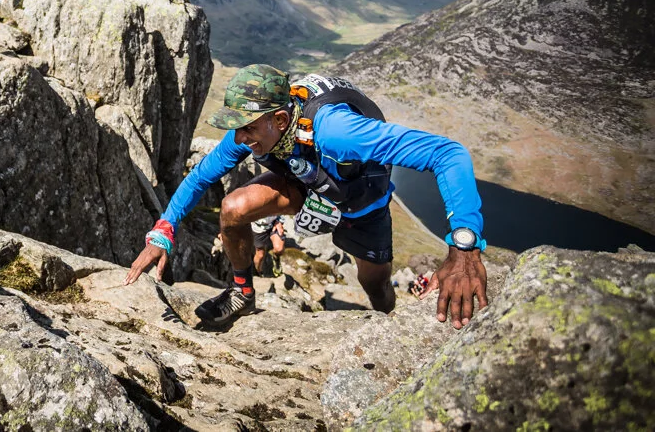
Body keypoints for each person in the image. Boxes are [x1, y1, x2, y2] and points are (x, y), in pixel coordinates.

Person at [124, 64, 488, 330]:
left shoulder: (337, 131)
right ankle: (241, 292)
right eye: (237, 127)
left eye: (248, 127)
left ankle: (388, 326)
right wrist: (164, 229)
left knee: (374, 284)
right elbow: (200, 177)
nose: (240, 137)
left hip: (361, 197)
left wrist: (464, 247)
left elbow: (448, 154)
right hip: (306, 181)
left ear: (280, 120)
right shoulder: (249, 132)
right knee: (234, 208)